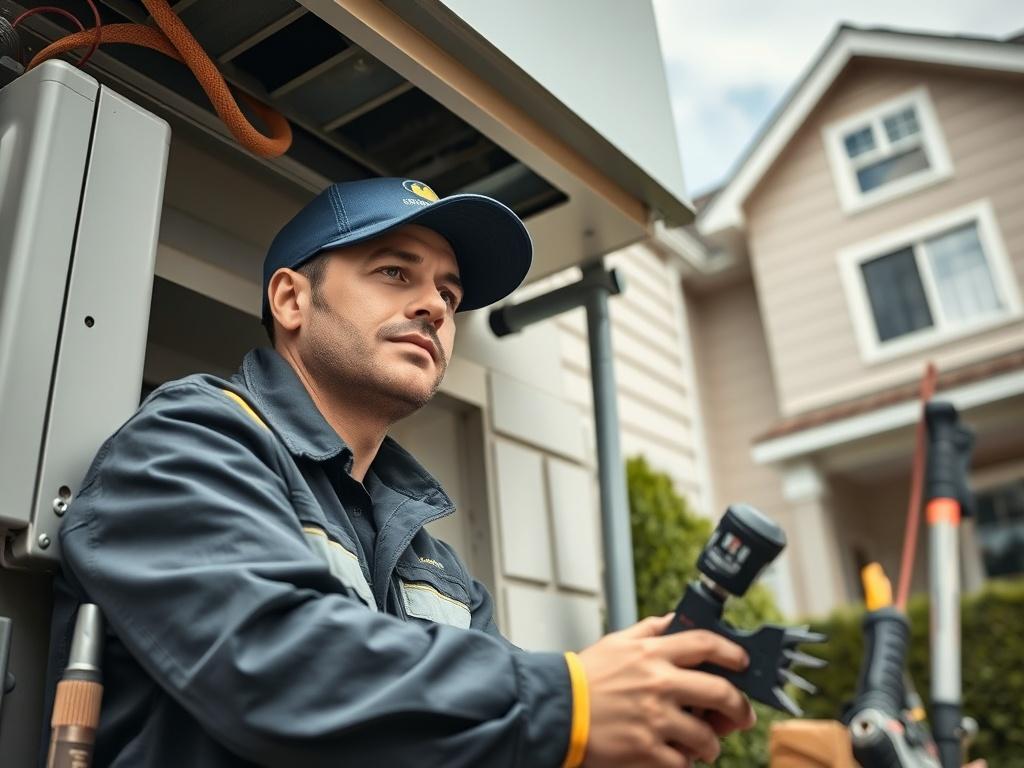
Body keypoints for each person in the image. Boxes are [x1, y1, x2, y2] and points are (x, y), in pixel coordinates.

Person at [44, 178, 756, 767]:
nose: (433, 307)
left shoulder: (434, 565)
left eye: (449, 295)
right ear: (291, 299)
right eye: (394, 272)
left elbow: (471, 738)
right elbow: (280, 668)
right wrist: (571, 699)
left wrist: (629, 720)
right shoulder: (188, 443)